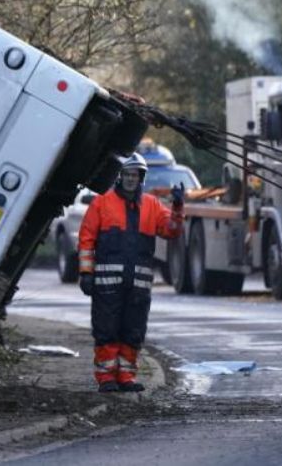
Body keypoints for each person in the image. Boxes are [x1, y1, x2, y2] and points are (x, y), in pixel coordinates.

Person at [77, 152, 183, 393]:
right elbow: (86, 239)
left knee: (133, 331)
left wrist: (177, 207)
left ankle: (126, 376)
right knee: (107, 330)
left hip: (138, 286)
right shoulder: (101, 203)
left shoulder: (152, 205)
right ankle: (106, 378)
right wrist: (86, 273)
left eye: (135, 175)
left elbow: (172, 231)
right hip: (107, 285)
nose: (131, 179)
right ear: (119, 177)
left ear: (142, 177)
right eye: (127, 174)